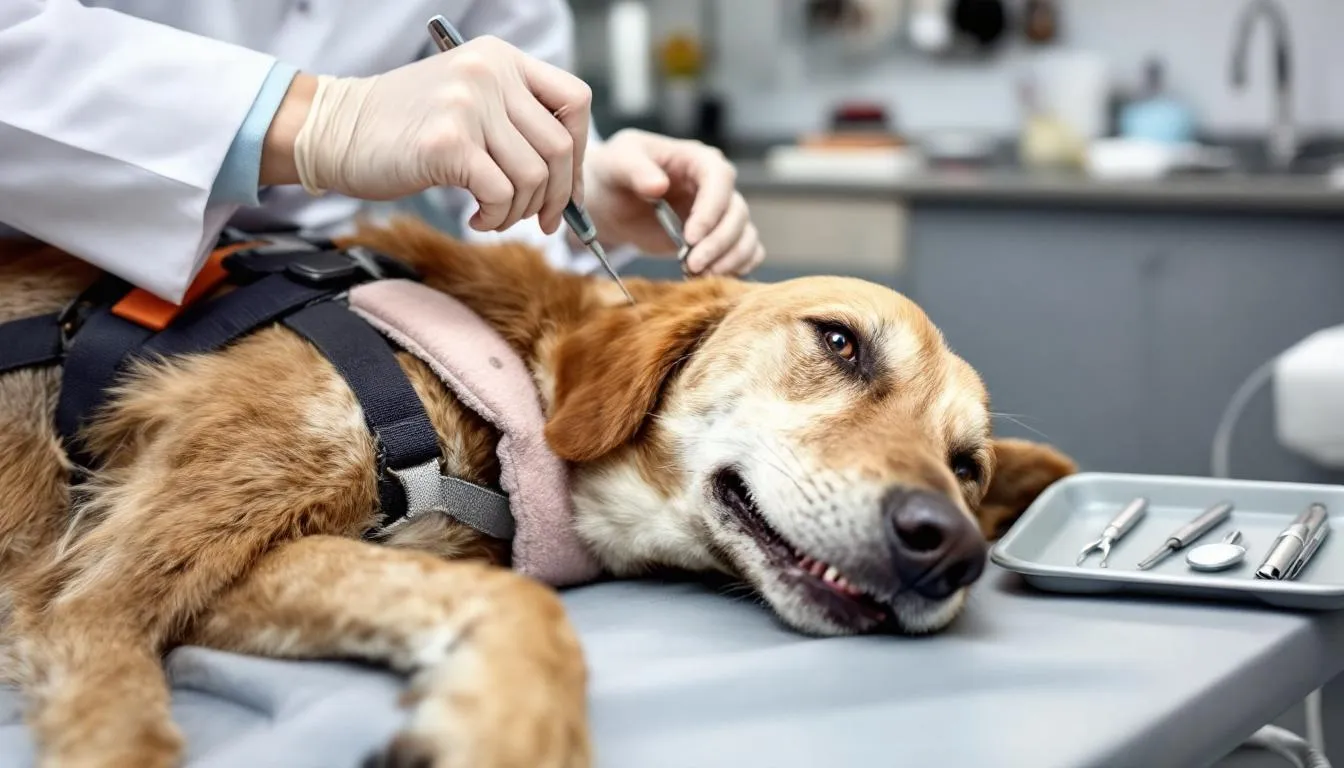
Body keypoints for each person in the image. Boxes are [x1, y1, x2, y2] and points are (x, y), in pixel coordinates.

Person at [0, 0, 764, 304]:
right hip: (44, 280)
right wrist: (310, 120)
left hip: (316, 295)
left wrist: (574, 185)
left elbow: (513, 76)